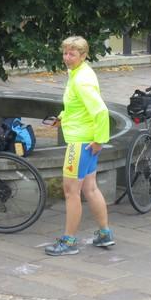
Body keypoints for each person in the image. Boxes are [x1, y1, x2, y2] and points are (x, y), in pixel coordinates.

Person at [45, 36, 114, 256]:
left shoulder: (81, 79)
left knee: (71, 192)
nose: (67, 58)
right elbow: (78, 107)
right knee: (90, 188)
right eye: (65, 53)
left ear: (83, 55)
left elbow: (100, 111)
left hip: (80, 144)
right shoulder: (79, 72)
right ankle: (104, 234)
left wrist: (100, 140)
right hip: (86, 141)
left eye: (72, 54)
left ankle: (69, 241)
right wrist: (62, 117)